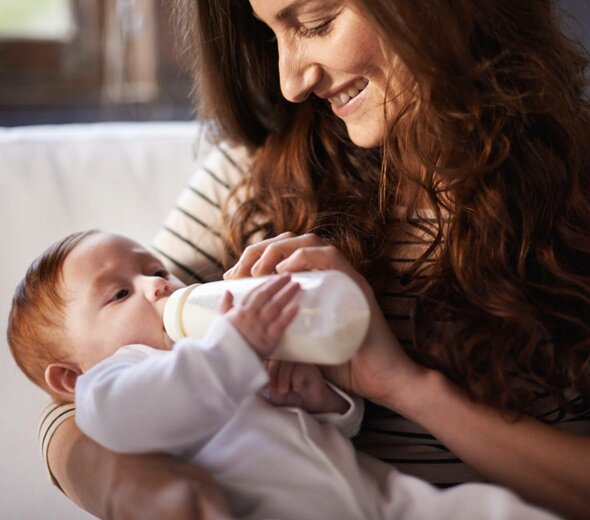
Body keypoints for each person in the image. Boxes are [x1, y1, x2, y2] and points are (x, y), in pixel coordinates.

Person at [37, 0, 590, 519]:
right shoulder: (259, 171)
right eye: (269, 31)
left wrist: (404, 386)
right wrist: (126, 485)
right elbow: (82, 370)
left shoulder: (574, 196)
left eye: (316, 22)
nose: (291, 82)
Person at [8, 229, 557, 520]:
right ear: (70, 379)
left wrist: (323, 404)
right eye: (120, 293)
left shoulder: (217, 348)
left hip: (381, 502)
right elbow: (136, 416)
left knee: (486, 510)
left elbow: (326, 441)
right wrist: (232, 351)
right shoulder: (113, 383)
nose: (158, 286)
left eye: (156, 270)